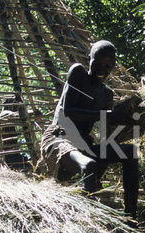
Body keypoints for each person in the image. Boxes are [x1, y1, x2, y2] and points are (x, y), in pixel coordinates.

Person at [39, 40, 139, 217]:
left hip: (84, 145)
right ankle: (90, 219)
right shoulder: (78, 73)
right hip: (59, 139)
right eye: (98, 63)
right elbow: (69, 112)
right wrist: (108, 114)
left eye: (108, 65)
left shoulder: (106, 94)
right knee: (89, 165)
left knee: (130, 151)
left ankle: (131, 218)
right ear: (89, 58)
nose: (102, 69)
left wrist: (131, 118)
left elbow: (108, 134)